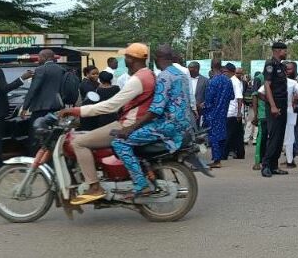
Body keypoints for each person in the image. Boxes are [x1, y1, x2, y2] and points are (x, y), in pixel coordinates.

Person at [58, 43, 155, 204]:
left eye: (126, 58)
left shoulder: (138, 79)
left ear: (131, 59)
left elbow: (110, 106)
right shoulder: (149, 74)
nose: (124, 62)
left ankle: (95, 187)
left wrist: (77, 111)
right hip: (133, 122)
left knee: (79, 142)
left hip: (126, 124)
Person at [110, 45, 192, 198]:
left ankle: (141, 183)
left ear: (156, 59)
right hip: (182, 125)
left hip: (167, 126)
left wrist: (130, 128)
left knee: (119, 142)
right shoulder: (180, 74)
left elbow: (156, 110)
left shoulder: (164, 76)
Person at [21, 49, 65, 154]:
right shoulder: (61, 69)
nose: (38, 59)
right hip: (56, 106)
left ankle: (35, 157)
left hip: (40, 107)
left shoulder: (40, 69)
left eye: (39, 57)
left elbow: (33, 89)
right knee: (53, 134)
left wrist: (25, 107)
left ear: (45, 57)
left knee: (36, 134)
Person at [261, 42, 291, 177]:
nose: (286, 52)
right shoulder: (270, 64)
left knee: (279, 137)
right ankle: (266, 165)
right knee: (273, 136)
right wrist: (272, 105)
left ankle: (274, 165)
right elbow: (267, 85)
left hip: (283, 104)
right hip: (275, 104)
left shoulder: (282, 66)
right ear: (278, 51)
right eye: (285, 50)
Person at [203, 58, 234, 168]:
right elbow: (232, 96)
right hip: (223, 111)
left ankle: (216, 160)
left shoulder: (212, 81)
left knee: (214, 136)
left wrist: (204, 107)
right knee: (221, 135)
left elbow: (208, 100)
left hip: (213, 112)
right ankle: (220, 157)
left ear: (211, 67)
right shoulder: (228, 81)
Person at [224, 63, 245, 160]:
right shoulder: (234, 81)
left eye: (225, 71)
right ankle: (240, 153)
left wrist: (239, 112)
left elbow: (239, 98)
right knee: (237, 134)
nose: (224, 73)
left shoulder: (234, 81)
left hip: (233, 112)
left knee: (229, 134)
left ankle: (224, 154)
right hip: (234, 111)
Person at [251, 72, 268, 171]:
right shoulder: (259, 78)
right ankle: (257, 161)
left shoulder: (274, 77)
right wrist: (256, 115)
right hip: (262, 114)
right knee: (261, 137)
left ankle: (266, 160)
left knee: (267, 138)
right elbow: (254, 96)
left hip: (270, 113)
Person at [187, 61, 209, 127]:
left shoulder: (205, 81)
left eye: (190, 68)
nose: (188, 70)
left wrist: (203, 103)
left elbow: (208, 95)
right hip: (188, 109)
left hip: (200, 110)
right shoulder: (185, 79)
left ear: (196, 69)